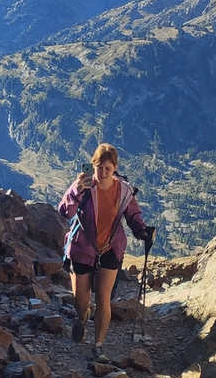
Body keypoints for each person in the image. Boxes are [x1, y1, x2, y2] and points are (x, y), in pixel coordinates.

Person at [58, 143, 154, 359]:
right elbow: (65, 212)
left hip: (110, 248)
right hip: (83, 247)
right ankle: (83, 318)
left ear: (115, 168)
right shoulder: (83, 187)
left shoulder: (123, 190)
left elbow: (133, 215)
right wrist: (76, 191)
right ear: (93, 166)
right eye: (99, 168)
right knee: (80, 300)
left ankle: (98, 345)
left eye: (107, 169)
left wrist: (141, 231)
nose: (102, 173)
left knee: (103, 297)